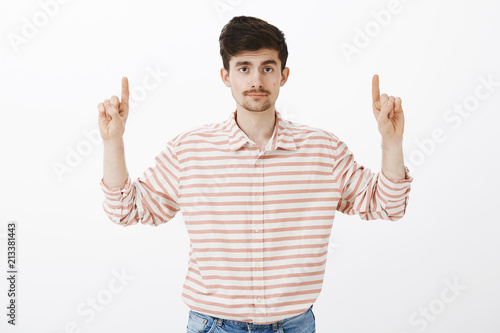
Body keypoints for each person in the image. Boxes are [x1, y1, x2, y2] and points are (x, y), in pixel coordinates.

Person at [97, 15, 413, 333]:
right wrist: (113, 142)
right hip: (214, 325)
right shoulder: (189, 150)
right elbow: (124, 210)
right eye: (244, 67)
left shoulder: (324, 150)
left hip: (294, 325)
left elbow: (388, 205)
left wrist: (391, 141)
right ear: (226, 75)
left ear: (283, 75)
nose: (256, 81)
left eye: (267, 68)